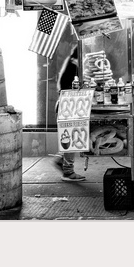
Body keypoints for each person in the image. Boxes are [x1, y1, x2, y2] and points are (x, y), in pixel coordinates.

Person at [52, 36, 85, 182]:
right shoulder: (75, 66)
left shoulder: (70, 62)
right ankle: (68, 172)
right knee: (72, 137)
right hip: (68, 104)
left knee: (69, 137)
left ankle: (61, 159)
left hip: (64, 103)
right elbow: (74, 87)